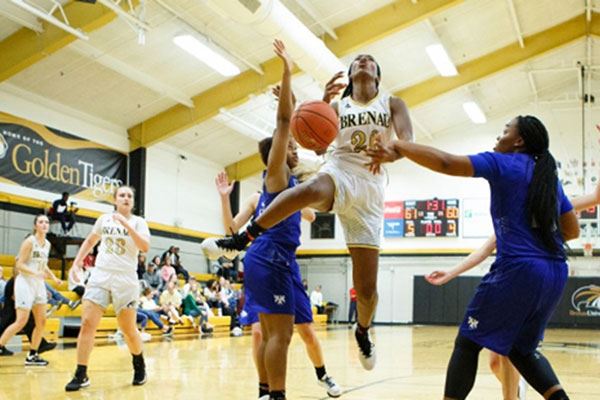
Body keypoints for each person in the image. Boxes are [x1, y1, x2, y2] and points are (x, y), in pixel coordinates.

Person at [202, 52, 413, 371]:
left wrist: (392, 153)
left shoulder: (393, 104)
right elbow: (316, 142)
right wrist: (322, 101)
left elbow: (408, 140)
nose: (364, 60)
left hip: (370, 190)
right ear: (352, 74)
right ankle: (241, 240)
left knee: (367, 292)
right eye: (358, 60)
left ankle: (363, 330)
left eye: (370, 59)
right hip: (340, 170)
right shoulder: (338, 108)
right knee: (309, 190)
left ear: (378, 76)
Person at [367, 115, 579, 400]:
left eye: (505, 131)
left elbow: (445, 162)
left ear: (519, 141)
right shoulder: (548, 178)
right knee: (521, 350)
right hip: (554, 272)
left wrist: (399, 145)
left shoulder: (502, 163)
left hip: (517, 270)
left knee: (467, 343)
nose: (498, 137)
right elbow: (572, 230)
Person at [208, 40, 341, 400]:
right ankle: (275, 395)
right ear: (277, 155)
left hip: (271, 259)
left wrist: (322, 103)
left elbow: (305, 127)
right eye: (290, 147)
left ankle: (270, 391)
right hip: (270, 258)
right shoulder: (277, 176)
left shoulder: (288, 185)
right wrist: (287, 69)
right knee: (279, 336)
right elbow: (286, 123)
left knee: (273, 334)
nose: (296, 148)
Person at [425, 182, 600, 400]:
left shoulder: (552, 203)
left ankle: (511, 396)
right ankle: (516, 392)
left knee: (504, 350)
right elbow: (486, 248)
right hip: (524, 281)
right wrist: (451, 272)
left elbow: (595, 197)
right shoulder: (515, 216)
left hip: (528, 282)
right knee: (496, 360)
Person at [65, 186, 151, 391]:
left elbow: (145, 247)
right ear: (115, 200)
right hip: (101, 275)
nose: (126, 198)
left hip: (126, 279)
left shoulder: (139, 222)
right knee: (87, 323)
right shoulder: (104, 219)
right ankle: (81, 373)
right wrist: (76, 263)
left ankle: (139, 364)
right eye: (122, 195)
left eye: (130, 195)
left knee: (128, 330)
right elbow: (90, 240)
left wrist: (126, 225)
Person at [0, 215, 61, 365]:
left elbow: (43, 264)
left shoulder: (46, 244)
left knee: (41, 321)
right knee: (21, 321)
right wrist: (35, 273)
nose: (44, 224)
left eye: (47, 222)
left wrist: (53, 278)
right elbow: (19, 264)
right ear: (35, 226)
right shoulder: (29, 242)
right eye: (41, 222)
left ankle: (32, 354)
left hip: (38, 283)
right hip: (25, 282)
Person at [0, 272, 56, 357]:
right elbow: (17, 267)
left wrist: (52, 277)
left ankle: (39, 346)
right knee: (14, 321)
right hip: (15, 295)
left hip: (21, 292)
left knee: (27, 321)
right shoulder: (18, 277)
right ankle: (39, 346)